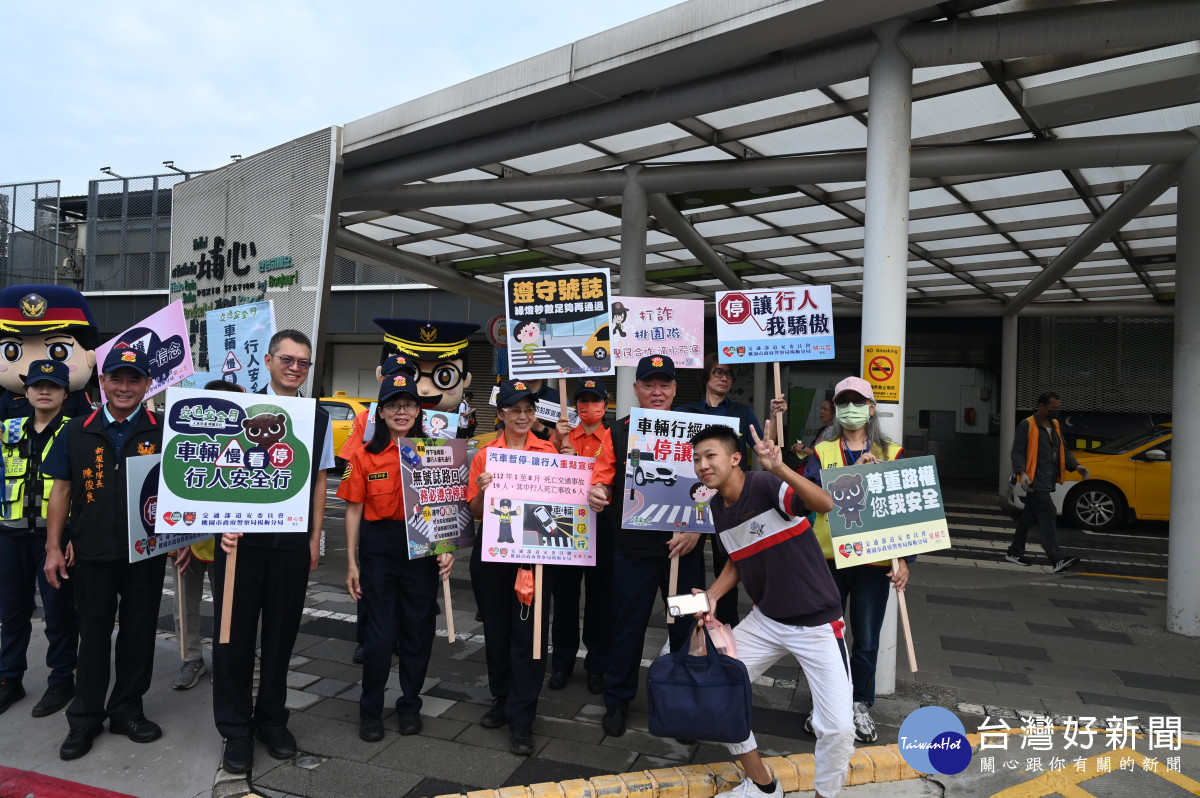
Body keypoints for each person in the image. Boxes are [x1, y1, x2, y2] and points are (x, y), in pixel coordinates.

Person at [690, 422, 853, 798]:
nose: (702, 465)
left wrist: (779, 467)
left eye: (710, 456)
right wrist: (713, 595)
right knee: (714, 688)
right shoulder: (717, 506)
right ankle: (763, 785)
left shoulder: (764, 485)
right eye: (697, 459)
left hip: (818, 623)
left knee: (839, 728)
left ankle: (825, 794)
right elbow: (738, 559)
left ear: (735, 458)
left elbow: (824, 504)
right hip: (767, 619)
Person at [211, 330, 334, 775]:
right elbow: (216, 467)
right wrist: (220, 526)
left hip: (291, 545)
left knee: (280, 638)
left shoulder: (317, 418)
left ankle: (271, 720)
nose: (295, 367)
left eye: (303, 362)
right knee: (233, 638)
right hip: (241, 544)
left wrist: (314, 538)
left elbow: (320, 480)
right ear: (267, 360)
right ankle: (235, 729)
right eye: (288, 359)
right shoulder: (240, 409)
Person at [42, 348, 164, 761]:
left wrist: (184, 540)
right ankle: (86, 717)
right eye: (117, 379)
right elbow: (61, 489)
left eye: (134, 380)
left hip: (145, 551)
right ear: (103, 382)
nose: (124, 388)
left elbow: (182, 489)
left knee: (138, 631)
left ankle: (127, 709)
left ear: (148, 385)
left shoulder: (163, 430)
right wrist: (54, 546)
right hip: (91, 552)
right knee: (92, 634)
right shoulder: (76, 430)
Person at [594, 355, 706, 738]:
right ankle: (617, 699)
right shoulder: (618, 432)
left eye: (664, 385)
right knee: (627, 625)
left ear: (675, 389)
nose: (656, 392)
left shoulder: (698, 430)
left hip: (685, 553)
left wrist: (697, 530)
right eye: (648, 384)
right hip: (632, 552)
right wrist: (597, 492)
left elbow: (715, 483)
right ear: (635, 388)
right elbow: (602, 478)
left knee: (689, 627)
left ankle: (684, 705)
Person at [339, 372, 454, 741]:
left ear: (418, 411)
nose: (401, 411)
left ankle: (409, 703)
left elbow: (445, 505)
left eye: (408, 404)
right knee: (379, 635)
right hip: (380, 547)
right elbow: (354, 510)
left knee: (418, 631)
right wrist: (352, 562)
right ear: (381, 412)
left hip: (422, 546)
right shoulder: (363, 454)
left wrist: (447, 548)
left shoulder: (435, 451)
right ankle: (370, 708)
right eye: (393, 405)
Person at [802, 376, 908, 744]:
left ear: (871, 407)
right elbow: (808, 497)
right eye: (843, 402)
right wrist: (855, 475)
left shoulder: (893, 453)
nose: (850, 409)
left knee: (865, 638)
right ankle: (825, 704)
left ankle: (860, 704)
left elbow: (905, 513)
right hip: (827, 560)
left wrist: (903, 559)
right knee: (824, 638)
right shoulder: (821, 451)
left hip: (874, 564)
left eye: (857, 402)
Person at [467, 379, 559, 755]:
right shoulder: (485, 454)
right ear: (501, 414)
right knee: (497, 631)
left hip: (533, 558)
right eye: (515, 410)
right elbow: (471, 511)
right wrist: (484, 491)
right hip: (490, 555)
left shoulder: (549, 450)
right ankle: (501, 697)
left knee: (529, 637)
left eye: (529, 409)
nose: (523, 416)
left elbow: (562, 506)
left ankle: (522, 717)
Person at [678, 353, 787, 628]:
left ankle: (726, 630)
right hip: (690, 501)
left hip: (730, 504)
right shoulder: (684, 412)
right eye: (718, 372)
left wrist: (775, 417)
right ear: (706, 376)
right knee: (685, 569)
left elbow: (764, 448)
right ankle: (685, 629)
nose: (724, 378)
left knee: (728, 565)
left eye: (729, 374)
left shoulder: (742, 413)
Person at [0, 361, 77, 718]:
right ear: (25, 391)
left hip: (54, 540)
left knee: (59, 612)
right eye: (36, 385)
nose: (44, 391)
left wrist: (71, 537)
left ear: (66, 392)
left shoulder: (77, 431)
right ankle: (9, 679)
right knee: (11, 612)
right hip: (9, 536)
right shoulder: (7, 430)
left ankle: (61, 680)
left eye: (53, 386)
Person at [170, 380, 245, 691]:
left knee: (228, 606)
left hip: (229, 543)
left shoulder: (245, 446)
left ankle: (225, 660)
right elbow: (173, 492)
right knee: (184, 606)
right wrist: (180, 539)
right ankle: (191, 658)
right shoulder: (187, 441)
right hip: (188, 538)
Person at [548, 378, 616, 694]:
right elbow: (541, 475)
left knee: (601, 598)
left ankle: (597, 665)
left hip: (602, 524)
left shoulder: (615, 437)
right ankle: (561, 662)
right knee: (564, 597)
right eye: (583, 401)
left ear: (606, 404)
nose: (589, 407)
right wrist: (557, 447)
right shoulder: (561, 436)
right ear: (575, 406)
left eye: (595, 400)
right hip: (564, 523)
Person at [1005, 391, 1087, 573]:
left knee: (1028, 517)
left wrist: (1077, 466)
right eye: (1053, 408)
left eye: (1058, 408)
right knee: (1048, 512)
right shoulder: (1027, 424)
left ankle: (1014, 552)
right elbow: (1017, 452)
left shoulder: (1055, 424)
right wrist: (1022, 473)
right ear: (1041, 407)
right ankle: (1056, 558)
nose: (1057, 412)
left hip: (1048, 478)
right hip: (1034, 480)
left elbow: (1063, 449)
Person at [0, 284, 97, 420]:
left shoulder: (76, 398)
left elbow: (86, 429)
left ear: (90, 357)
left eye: (59, 351)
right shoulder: (8, 397)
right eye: (11, 351)